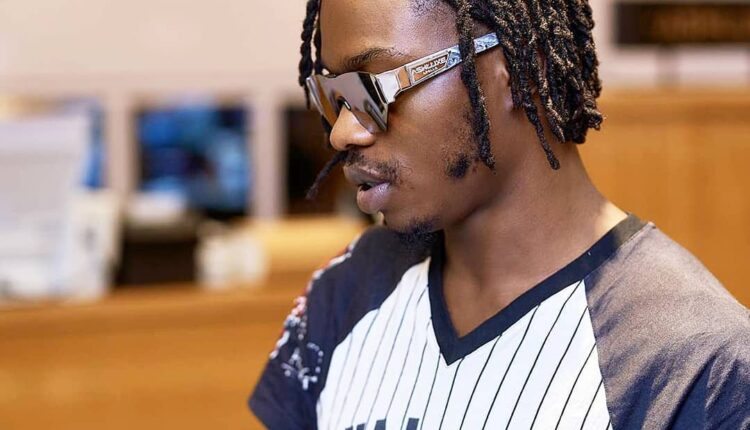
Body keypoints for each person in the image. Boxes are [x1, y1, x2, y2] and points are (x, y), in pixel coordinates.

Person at [249, 0, 750, 428]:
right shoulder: (351, 288)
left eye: (373, 89)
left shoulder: (695, 363)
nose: (343, 133)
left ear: (517, 69)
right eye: (335, 96)